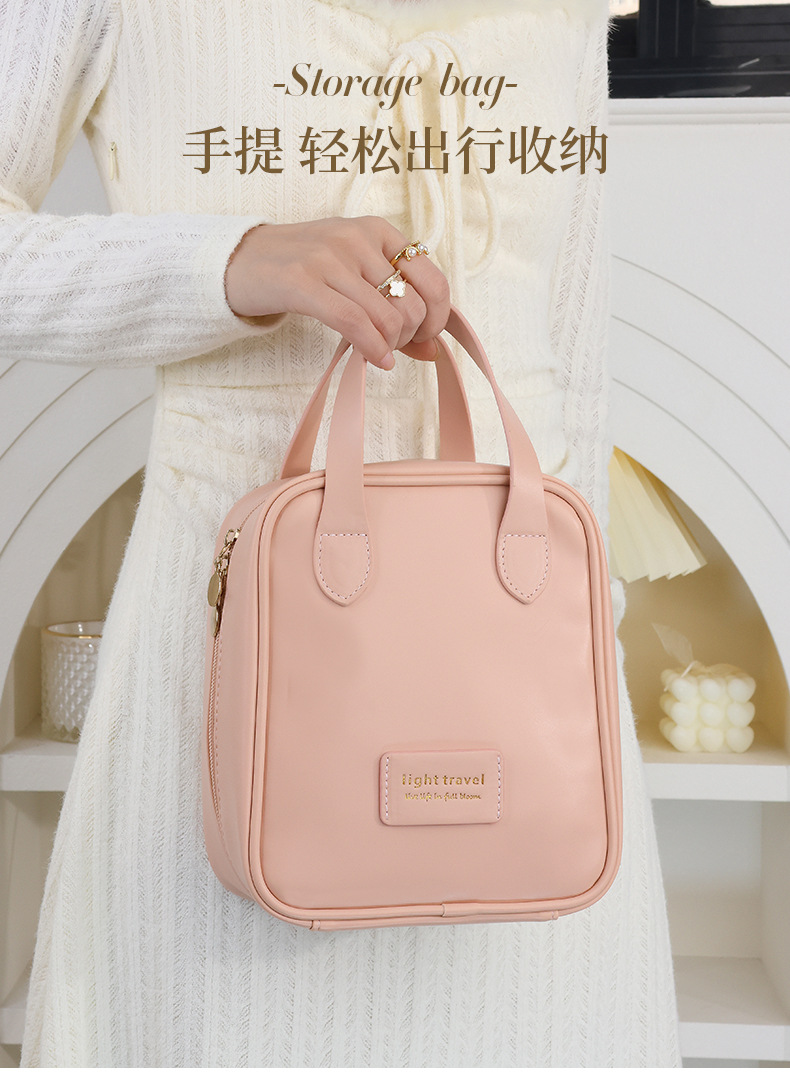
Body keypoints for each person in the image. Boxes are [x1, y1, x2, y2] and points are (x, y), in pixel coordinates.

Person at [1, 0, 681, 1066]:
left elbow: (569, 360)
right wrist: (230, 262)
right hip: (220, 694)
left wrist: (589, 642)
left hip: (528, 704)